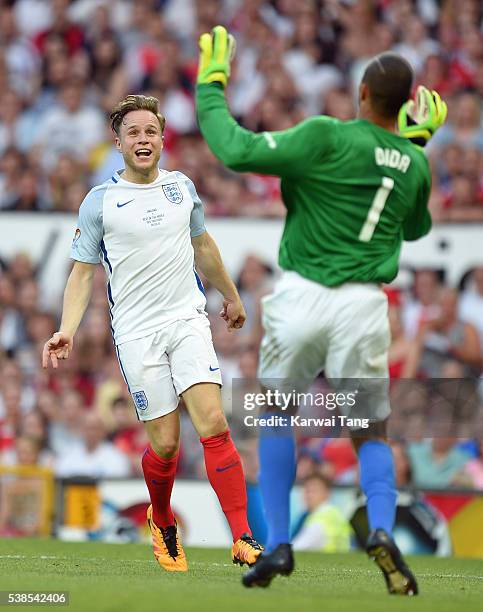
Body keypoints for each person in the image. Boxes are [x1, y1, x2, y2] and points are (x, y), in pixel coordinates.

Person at [196, 26, 447, 594]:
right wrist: (415, 149)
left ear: (362, 94)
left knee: (277, 416)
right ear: (407, 107)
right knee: (371, 432)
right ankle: (381, 530)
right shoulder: (413, 161)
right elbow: (417, 226)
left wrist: (211, 84)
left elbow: (235, 150)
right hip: (363, 304)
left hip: (301, 295)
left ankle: (280, 543)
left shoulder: (327, 136)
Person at [42, 94, 262, 572]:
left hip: (187, 321)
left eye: (150, 132)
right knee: (165, 444)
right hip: (137, 335)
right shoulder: (100, 202)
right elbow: (82, 274)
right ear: (117, 143)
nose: (143, 140)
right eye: (133, 134)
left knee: (213, 424)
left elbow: (203, 246)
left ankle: (243, 536)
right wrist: (67, 329)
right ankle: (162, 519)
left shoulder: (182, 188)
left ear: (162, 138)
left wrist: (232, 295)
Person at [292, 473, 351, 553]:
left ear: (327, 493)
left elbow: (297, 548)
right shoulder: (333, 513)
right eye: (307, 490)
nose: (309, 495)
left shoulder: (321, 519)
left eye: (314, 491)